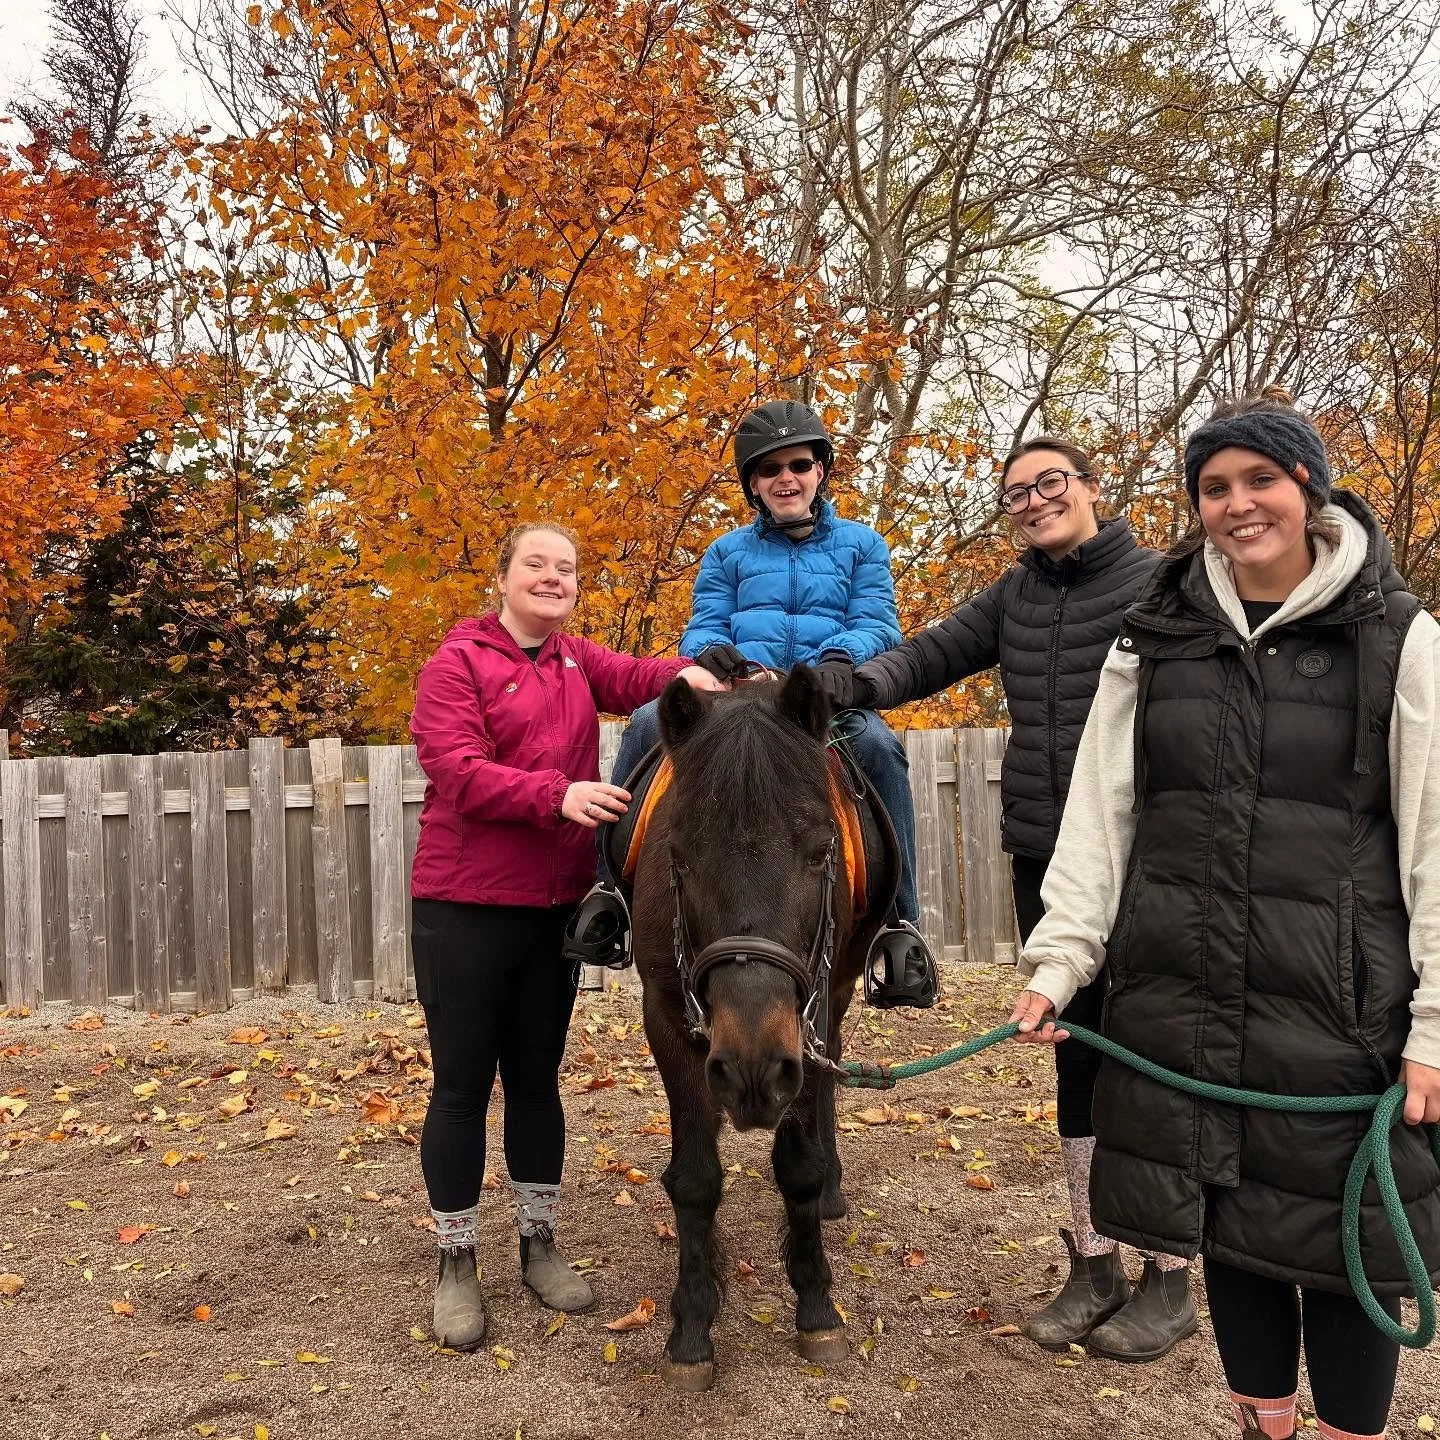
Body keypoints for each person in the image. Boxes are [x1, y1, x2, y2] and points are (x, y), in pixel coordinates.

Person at [1010, 390, 1440, 1440]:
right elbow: (1101, 814)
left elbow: (1437, 842)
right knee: (1225, 1229)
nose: (1238, 505)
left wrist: (1435, 1028)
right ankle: (1265, 1427)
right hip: (1182, 993)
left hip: (1335, 1008)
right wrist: (1059, 959)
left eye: (1261, 480)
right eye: (1214, 488)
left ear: (1308, 487)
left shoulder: (1399, 637)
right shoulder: (1153, 636)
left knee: (1342, 1246)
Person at [823, 435, 1197, 1358]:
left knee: (1147, 1060)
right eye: (1017, 493)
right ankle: (1094, 1258)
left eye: (1050, 484)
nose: (1034, 502)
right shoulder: (1016, 595)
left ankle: (1171, 1274)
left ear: (1092, 488)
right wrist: (855, 683)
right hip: (1046, 855)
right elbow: (933, 655)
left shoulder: (1161, 585)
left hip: (1150, 860)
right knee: (1073, 1057)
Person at [408, 522, 722, 1350]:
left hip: (555, 914)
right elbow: (456, 770)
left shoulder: (577, 660)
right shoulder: (457, 664)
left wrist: (713, 665)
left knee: (538, 1081)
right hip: (465, 908)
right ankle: (455, 1261)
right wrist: (559, 796)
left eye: (567, 569)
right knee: (462, 1088)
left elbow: (648, 676)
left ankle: (538, 1245)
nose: (554, 578)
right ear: (503, 578)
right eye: (537, 565)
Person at [567, 397, 939, 1006]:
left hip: (821, 699)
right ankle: (607, 892)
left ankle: (900, 926)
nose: (785, 479)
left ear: (820, 469)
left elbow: (878, 621)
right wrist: (714, 653)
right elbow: (703, 625)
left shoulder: (862, 545)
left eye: (798, 464)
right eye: (769, 470)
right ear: (752, 485)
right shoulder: (727, 553)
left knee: (878, 747)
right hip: (740, 696)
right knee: (640, 725)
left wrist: (837, 662)